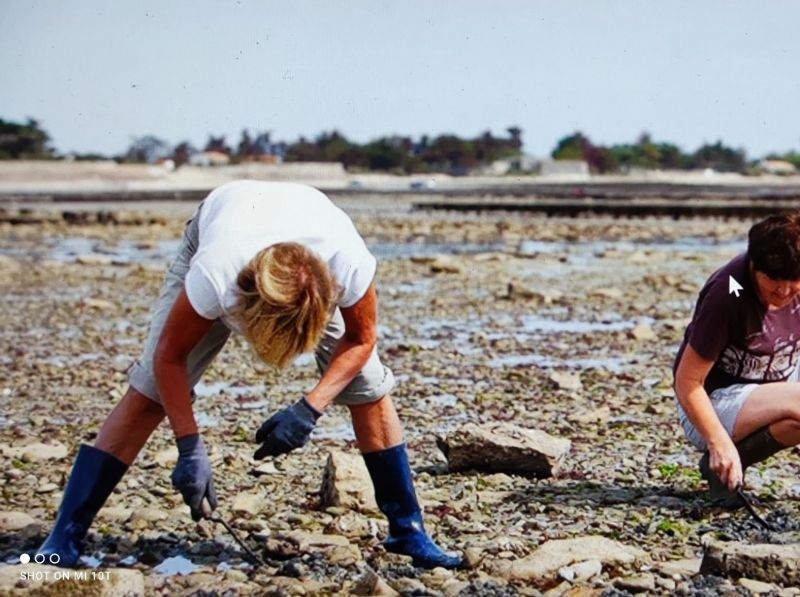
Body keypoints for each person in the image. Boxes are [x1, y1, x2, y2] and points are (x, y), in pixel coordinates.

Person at [38, 180, 462, 569]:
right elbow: (170, 356)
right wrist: (189, 447)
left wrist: (309, 409)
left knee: (368, 386)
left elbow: (360, 340)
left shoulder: (348, 264)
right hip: (223, 224)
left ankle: (408, 532)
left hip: (302, 228)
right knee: (149, 390)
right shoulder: (214, 275)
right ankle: (64, 537)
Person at [674, 211, 800, 508]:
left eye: (793, 281)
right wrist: (718, 442)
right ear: (754, 265)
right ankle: (723, 456)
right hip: (714, 404)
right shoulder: (728, 293)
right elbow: (688, 381)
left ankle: (728, 466)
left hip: (779, 380)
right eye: (772, 280)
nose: (783, 292)